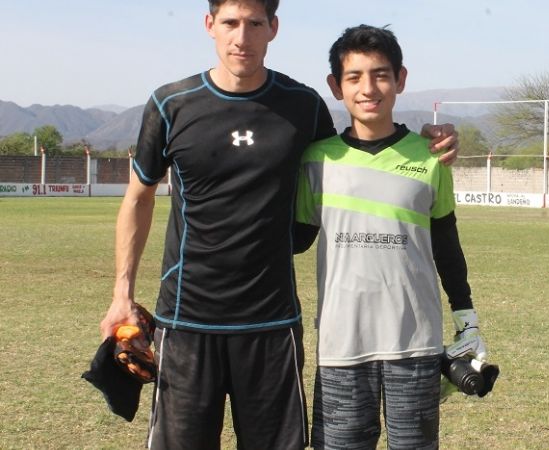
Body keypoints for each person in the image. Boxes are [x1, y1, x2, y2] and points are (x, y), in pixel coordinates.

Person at [98, 1, 459, 449]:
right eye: (230, 23)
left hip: (272, 324)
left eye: (254, 24)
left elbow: (358, 148)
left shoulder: (302, 106)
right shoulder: (170, 103)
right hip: (187, 320)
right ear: (210, 25)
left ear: (273, 28)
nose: (241, 37)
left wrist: (430, 140)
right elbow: (137, 198)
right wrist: (121, 296)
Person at [293, 24, 488, 450]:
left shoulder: (432, 157)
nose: (369, 88)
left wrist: (466, 319)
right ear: (336, 86)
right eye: (354, 77)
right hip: (340, 343)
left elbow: (446, 244)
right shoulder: (316, 159)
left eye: (381, 74)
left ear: (400, 79)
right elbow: (295, 241)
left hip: (415, 343)